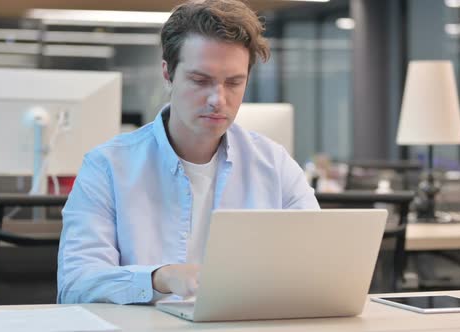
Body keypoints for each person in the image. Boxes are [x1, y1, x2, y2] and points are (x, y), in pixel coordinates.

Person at [57, 0, 319, 305]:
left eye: (234, 82)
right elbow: (76, 284)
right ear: (168, 73)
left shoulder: (274, 164)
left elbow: (315, 265)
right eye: (200, 80)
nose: (217, 100)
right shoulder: (107, 166)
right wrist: (159, 278)